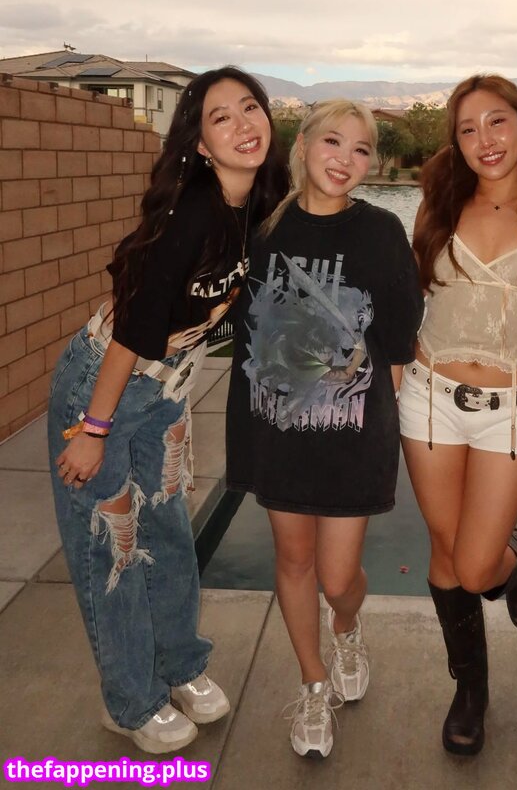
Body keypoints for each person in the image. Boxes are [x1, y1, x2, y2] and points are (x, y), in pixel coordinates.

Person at [48, 67, 288, 754]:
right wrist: (93, 431)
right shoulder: (194, 212)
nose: (243, 124)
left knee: (171, 536)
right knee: (113, 550)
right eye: (221, 117)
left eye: (250, 107)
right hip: (104, 386)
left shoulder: (255, 206)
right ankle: (129, 702)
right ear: (201, 144)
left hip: (164, 391)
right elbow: (133, 326)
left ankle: (179, 665)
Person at [226, 100, 423, 760]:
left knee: (338, 579)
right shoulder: (262, 228)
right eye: (333, 141)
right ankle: (313, 685)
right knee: (293, 560)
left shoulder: (381, 232)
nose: (345, 159)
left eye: (361, 149)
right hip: (277, 431)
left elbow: (400, 335)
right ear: (304, 145)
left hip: (351, 433)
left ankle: (346, 627)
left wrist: (380, 419)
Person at [398, 74, 517, 755]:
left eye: (497, 121)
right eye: (468, 129)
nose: (485, 140)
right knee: (445, 552)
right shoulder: (438, 207)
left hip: (515, 408)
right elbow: (406, 295)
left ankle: (512, 561)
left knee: (476, 567)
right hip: (429, 399)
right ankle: (470, 689)